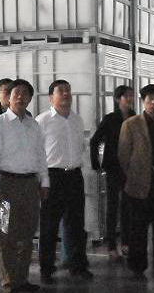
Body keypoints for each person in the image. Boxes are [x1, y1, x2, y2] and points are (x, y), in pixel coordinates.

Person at [0, 79, 49, 293]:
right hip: (5, 185)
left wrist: (44, 182)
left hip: (30, 185)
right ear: (8, 97)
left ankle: (22, 280)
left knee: (27, 235)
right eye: (16, 93)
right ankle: (9, 283)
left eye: (24, 94)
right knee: (5, 235)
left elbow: (41, 155)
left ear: (30, 99)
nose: (20, 97)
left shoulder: (34, 125)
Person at [37, 80, 93, 283]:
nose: (66, 94)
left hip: (74, 176)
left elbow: (81, 149)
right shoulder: (42, 121)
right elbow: (37, 154)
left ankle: (77, 265)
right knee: (49, 226)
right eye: (60, 91)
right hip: (53, 177)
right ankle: (46, 268)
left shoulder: (77, 120)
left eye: (68, 90)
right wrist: (42, 181)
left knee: (76, 224)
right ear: (51, 97)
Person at [118, 84, 154, 278]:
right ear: (143, 101)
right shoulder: (131, 124)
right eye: (149, 99)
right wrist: (133, 175)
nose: (153, 102)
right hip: (139, 183)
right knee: (138, 228)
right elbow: (123, 155)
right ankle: (137, 266)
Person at [89, 84, 136, 259]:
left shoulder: (134, 116)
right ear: (118, 99)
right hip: (113, 167)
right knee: (112, 206)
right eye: (126, 96)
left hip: (130, 167)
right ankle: (111, 246)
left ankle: (126, 242)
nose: (130, 99)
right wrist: (96, 163)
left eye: (131, 95)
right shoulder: (110, 119)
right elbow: (95, 140)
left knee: (128, 206)